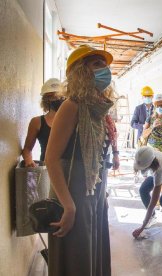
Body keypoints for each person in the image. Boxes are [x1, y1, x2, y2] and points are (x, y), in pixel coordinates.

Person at [45, 44, 115, 276]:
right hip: (72, 193)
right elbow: (52, 159)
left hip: (94, 192)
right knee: (76, 258)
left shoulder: (98, 110)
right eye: (97, 64)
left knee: (92, 252)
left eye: (105, 65)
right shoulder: (71, 106)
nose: (105, 70)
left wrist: (102, 194)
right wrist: (68, 205)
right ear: (81, 72)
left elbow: (98, 158)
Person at [22, 78, 64, 167]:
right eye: (53, 96)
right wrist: (29, 162)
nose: (58, 99)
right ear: (46, 98)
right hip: (46, 171)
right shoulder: (37, 122)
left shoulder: (73, 120)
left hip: (69, 171)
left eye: (61, 96)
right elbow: (27, 149)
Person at [142, 93, 162, 157]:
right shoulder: (150, 119)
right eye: (157, 106)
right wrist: (152, 127)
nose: (159, 108)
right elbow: (144, 135)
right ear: (155, 107)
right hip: (152, 152)